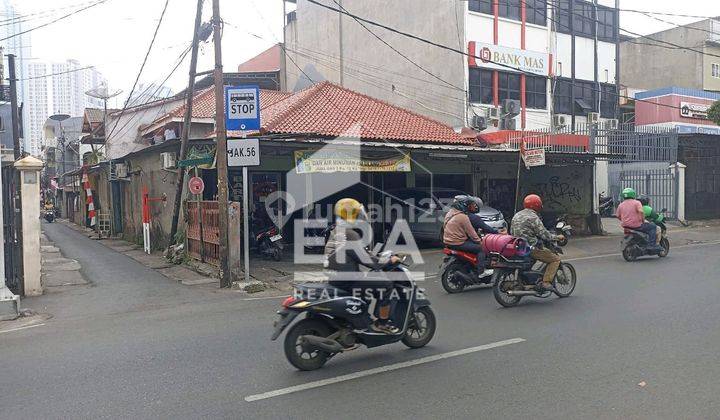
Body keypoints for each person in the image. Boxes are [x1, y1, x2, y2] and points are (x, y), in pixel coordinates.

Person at [324, 198, 401, 334]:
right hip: (347, 280)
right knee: (387, 285)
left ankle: (360, 319)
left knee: (369, 282)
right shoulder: (350, 234)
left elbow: (358, 254)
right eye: (357, 214)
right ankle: (382, 324)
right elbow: (367, 259)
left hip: (334, 278)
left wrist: (373, 257)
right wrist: (389, 261)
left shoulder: (336, 231)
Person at [510, 194, 565, 291]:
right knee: (555, 260)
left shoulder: (517, 215)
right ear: (537, 205)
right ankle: (546, 282)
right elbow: (544, 235)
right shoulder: (534, 217)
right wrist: (556, 237)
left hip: (517, 246)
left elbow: (511, 231)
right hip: (530, 247)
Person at [443, 195, 493, 278]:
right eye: (468, 204)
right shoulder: (463, 217)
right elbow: (472, 234)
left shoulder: (449, 213)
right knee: (482, 249)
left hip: (448, 242)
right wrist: (480, 242)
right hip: (459, 243)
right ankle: (481, 271)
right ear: (463, 205)